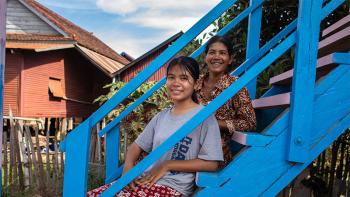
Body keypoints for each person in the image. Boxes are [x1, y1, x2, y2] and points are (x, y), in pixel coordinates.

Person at [87, 56, 223, 197]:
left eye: (183, 78)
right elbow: (136, 146)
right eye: (171, 77)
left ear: (195, 84)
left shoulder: (204, 117)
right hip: (144, 180)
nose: (176, 83)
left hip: (172, 187)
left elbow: (211, 163)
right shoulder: (161, 116)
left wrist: (167, 165)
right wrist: (128, 170)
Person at [194, 35, 256, 168]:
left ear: (230, 59)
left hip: (215, 154)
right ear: (206, 57)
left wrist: (215, 124)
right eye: (212, 52)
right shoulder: (194, 83)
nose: (216, 57)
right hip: (187, 144)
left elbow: (249, 123)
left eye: (222, 53)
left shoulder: (236, 86)